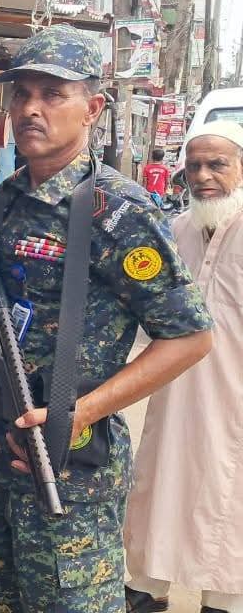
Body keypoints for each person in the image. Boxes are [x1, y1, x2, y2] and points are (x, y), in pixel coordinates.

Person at [0, 24, 213, 613]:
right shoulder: (4, 200)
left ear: (93, 108)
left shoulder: (118, 213)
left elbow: (191, 336)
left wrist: (81, 413)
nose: (30, 109)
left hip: (66, 469)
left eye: (53, 94)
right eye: (21, 94)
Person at [124, 120, 243, 613]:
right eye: (194, 165)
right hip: (174, 394)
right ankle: (149, 587)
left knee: (229, 496)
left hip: (236, 400)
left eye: (217, 164)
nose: (203, 175)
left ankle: (224, 599)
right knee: (162, 483)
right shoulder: (175, 231)